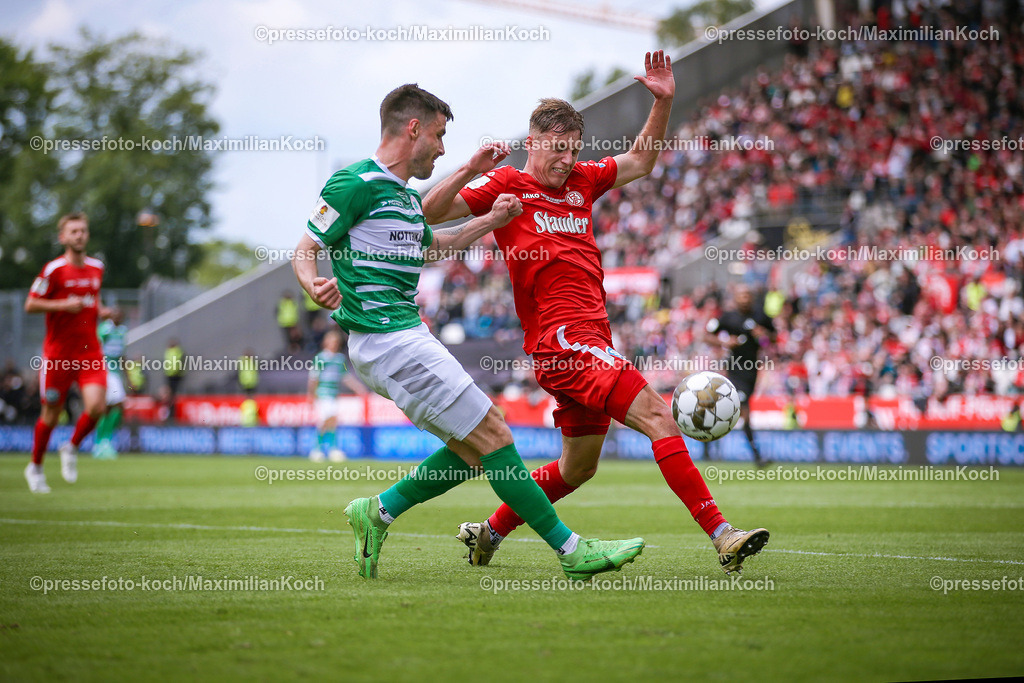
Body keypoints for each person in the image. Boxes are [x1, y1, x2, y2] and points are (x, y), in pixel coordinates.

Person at [424, 51, 769, 574]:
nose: (566, 160)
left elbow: (640, 161)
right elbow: (429, 213)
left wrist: (664, 101)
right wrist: (471, 168)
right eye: (557, 149)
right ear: (534, 142)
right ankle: (722, 533)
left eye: (573, 150)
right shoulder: (506, 188)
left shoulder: (583, 181)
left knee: (576, 469)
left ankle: (489, 531)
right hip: (563, 342)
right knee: (657, 414)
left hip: (589, 342)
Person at [292, 83, 645, 581]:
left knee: (472, 447)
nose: (441, 147)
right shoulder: (353, 183)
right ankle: (571, 552)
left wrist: (493, 219)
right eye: (438, 135)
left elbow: (434, 248)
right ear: (413, 128)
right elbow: (305, 247)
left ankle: (378, 511)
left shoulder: (401, 196)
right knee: (494, 433)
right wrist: (313, 285)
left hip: (405, 333)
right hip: (385, 338)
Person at [23, 212, 109, 492]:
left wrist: (103, 311)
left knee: (97, 407)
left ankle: (70, 447)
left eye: (83, 230)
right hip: (58, 356)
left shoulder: (97, 268)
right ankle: (35, 467)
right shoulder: (53, 270)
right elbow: (31, 304)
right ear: (63, 237)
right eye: (73, 231)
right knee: (51, 414)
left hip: (89, 352)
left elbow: (92, 301)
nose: (79, 235)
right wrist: (62, 305)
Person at [704, 284, 776, 467]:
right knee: (743, 410)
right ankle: (757, 456)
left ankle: (708, 448)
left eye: (747, 295)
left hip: (752, 371)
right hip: (734, 369)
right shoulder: (728, 317)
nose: (744, 298)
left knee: (731, 408)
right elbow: (707, 335)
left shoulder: (761, 316)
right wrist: (725, 341)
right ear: (735, 297)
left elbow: (774, 338)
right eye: (741, 295)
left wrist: (764, 334)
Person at [308, 330, 363, 462]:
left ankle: (329, 449)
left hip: (333, 394)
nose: (334, 344)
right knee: (326, 420)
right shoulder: (320, 358)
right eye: (331, 341)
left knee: (332, 421)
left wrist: (358, 388)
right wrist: (311, 394)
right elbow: (314, 378)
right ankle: (319, 449)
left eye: (336, 342)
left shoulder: (340, 359)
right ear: (325, 342)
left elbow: (345, 376)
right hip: (322, 393)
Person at [93, 308, 128, 459]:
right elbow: (96, 350)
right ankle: (103, 442)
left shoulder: (122, 331)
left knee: (110, 408)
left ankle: (102, 443)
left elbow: (121, 354)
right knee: (117, 405)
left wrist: (128, 376)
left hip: (116, 373)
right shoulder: (104, 329)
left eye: (120, 314)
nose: (118, 316)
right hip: (105, 371)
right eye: (115, 314)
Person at [163, 338, 184, 422]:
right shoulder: (169, 351)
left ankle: (172, 414)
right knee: (169, 396)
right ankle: (169, 413)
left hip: (175, 376)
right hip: (170, 375)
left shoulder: (177, 351)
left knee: (172, 396)